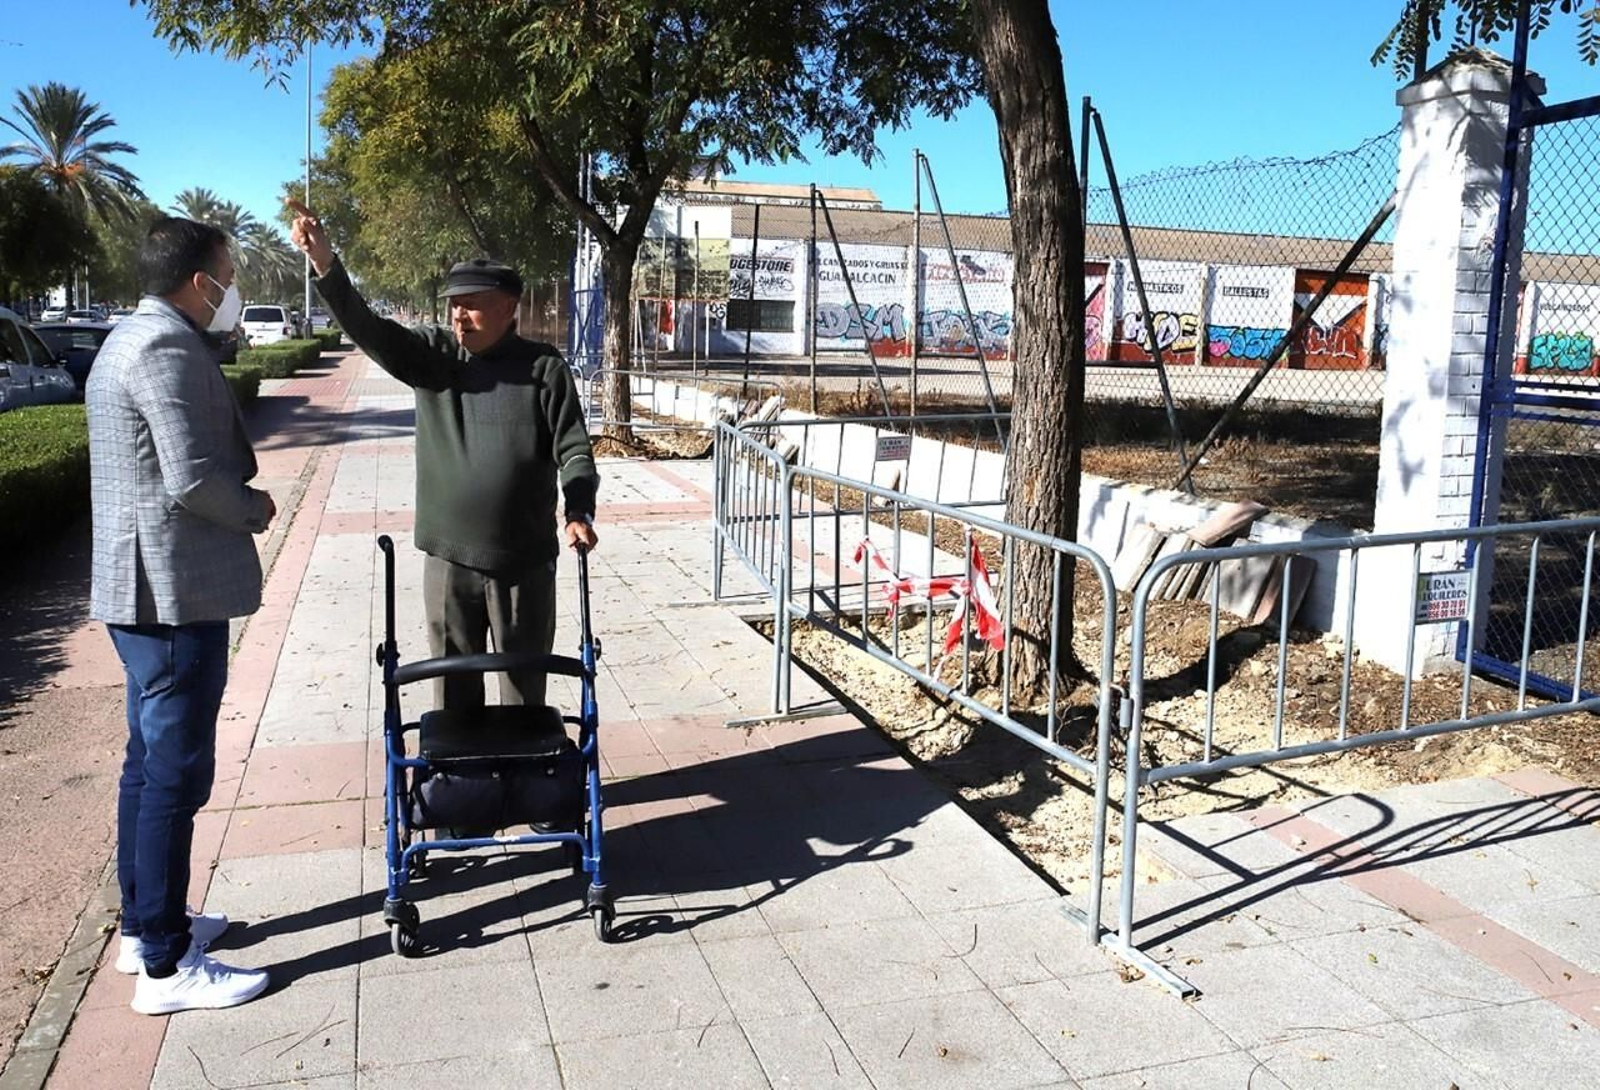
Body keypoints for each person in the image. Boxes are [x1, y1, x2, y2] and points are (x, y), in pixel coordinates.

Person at [287, 199, 600, 713]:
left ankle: (520, 786)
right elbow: (369, 329)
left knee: (524, 691)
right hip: (449, 560)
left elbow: (574, 447)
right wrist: (326, 263)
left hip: (524, 562)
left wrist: (578, 511)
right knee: (454, 692)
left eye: (472, 303)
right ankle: (464, 788)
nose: (459, 314)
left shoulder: (543, 368)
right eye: (454, 303)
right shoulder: (434, 357)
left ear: (508, 307)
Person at [87, 216, 276, 1014]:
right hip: (170, 596)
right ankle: (167, 966)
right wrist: (256, 508)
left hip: (146, 592)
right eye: (229, 275)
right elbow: (193, 481)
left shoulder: (128, 337)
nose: (233, 291)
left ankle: (144, 931)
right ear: (201, 281)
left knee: (147, 766)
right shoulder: (162, 346)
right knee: (174, 774)